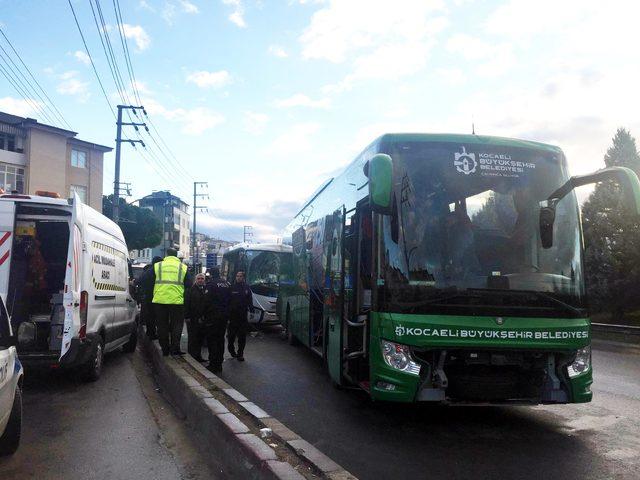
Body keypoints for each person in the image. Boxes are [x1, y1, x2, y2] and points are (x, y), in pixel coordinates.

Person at [151, 248, 191, 356]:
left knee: (161, 325)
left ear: (166, 255)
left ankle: (165, 349)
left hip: (160, 300)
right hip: (177, 301)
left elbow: (150, 282)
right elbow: (189, 284)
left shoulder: (158, 266)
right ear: (177, 255)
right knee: (177, 325)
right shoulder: (183, 267)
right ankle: (174, 349)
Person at [203, 270, 230, 373]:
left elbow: (206, 301)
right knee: (220, 340)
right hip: (224, 317)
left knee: (212, 340)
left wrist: (203, 315)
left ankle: (213, 364)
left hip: (213, 317)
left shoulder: (211, 285)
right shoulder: (226, 284)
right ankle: (219, 364)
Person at [226, 271, 253, 362]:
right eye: (237, 276)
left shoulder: (246, 287)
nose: (238, 277)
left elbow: (250, 299)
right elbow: (227, 301)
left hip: (242, 316)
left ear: (243, 277)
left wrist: (251, 310)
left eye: (240, 276)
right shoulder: (231, 287)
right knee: (231, 337)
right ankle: (231, 350)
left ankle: (240, 354)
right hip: (232, 316)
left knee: (242, 337)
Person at [138, 256, 163, 339]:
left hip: (148, 296)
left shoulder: (147, 270)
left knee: (150, 316)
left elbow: (140, 280)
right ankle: (153, 333)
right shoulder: (156, 270)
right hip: (156, 296)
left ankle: (150, 332)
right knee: (156, 316)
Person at [185, 273, 208, 362]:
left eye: (202, 278)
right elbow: (187, 304)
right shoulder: (190, 290)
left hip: (202, 318)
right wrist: (187, 316)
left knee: (200, 338)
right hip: (192, 318)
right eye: (198, 278)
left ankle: (198, 356)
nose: (200, 280)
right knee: (192, 338)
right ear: (196, 280)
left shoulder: (206, 290)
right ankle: (192, 357)